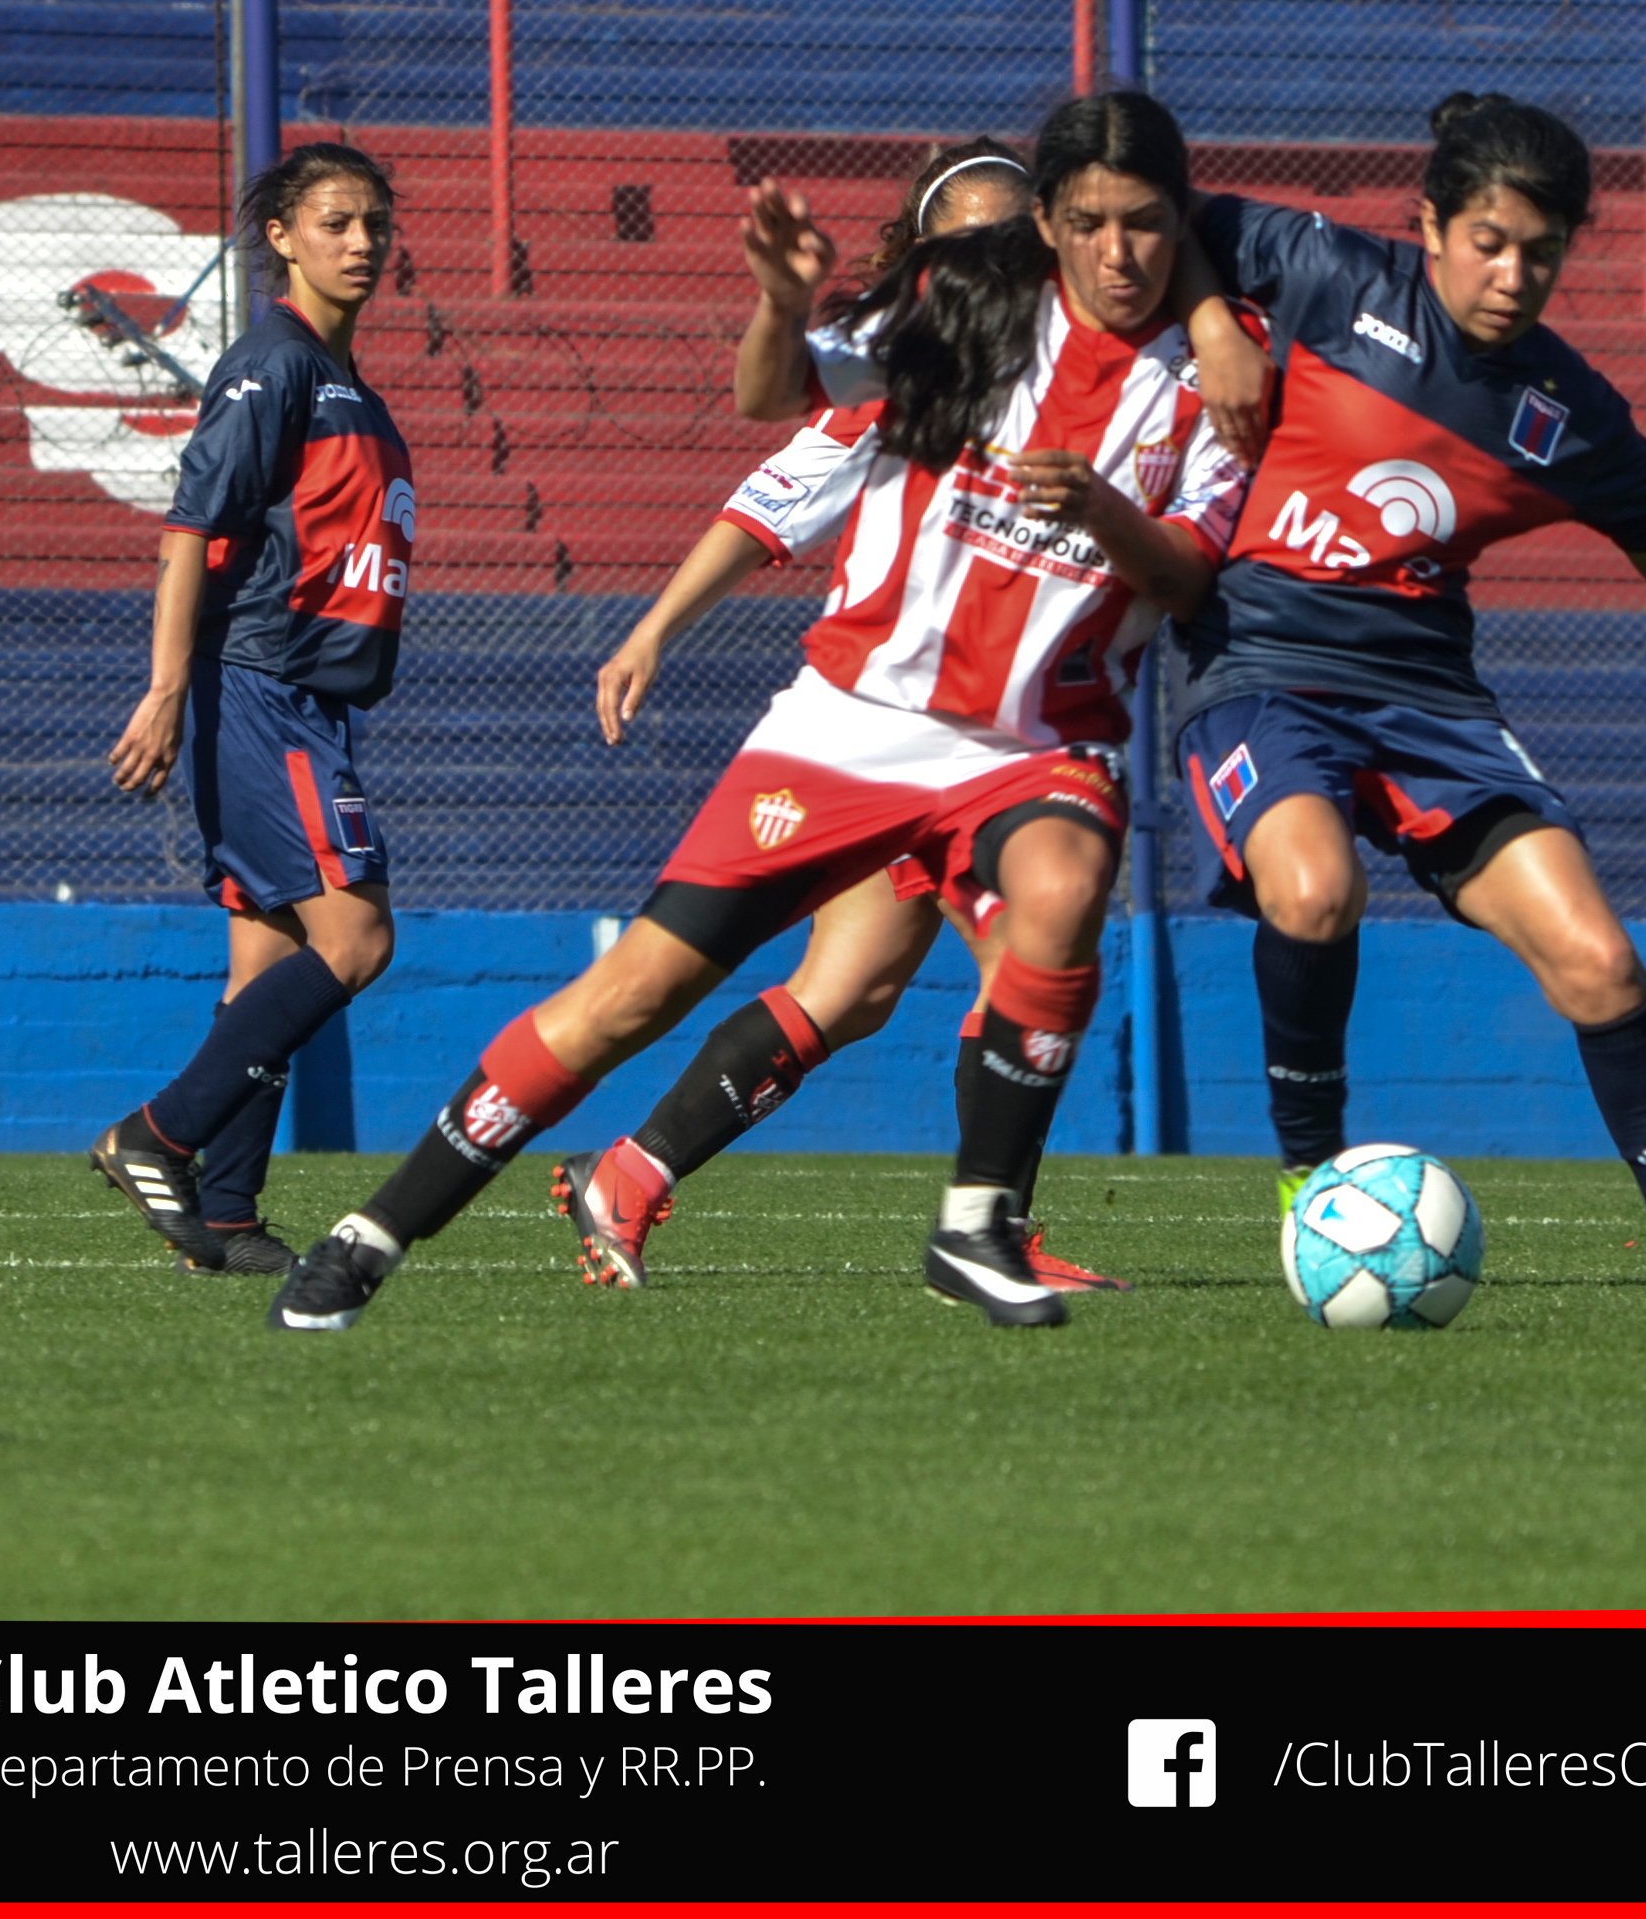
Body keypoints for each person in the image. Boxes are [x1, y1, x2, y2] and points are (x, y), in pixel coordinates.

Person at [271, 89, 1247, 1332]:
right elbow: (770, 406)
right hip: (850, 722)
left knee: (1047, 908)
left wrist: (1111, 498)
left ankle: (979, 1224)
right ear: (1045, 226)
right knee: (636, 995)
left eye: (1149, 226)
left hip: (1034, 744)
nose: (1119, 254)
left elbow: (1187, 570)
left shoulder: (1219, 366)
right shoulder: (957, 313)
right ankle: (376, 1232)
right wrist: (784, 305)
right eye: (1087, 224)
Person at [1177, 91, 1646, 1329]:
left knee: (1603, 964)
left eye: (1541, 252)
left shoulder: (1566, 410)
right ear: (1430, 224)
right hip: (1265, 670)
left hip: (1430, 702)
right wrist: (1209, 322)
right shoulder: (1325, 271)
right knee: (1312, 890)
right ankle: (1309, 1170)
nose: (1513, 276)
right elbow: (1156, 222)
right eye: (1489, 242)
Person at [546, 138, 1123, 1295]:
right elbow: (765, 510)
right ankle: (989, 1229)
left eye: (1012, 233)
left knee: (851, 991)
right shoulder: (895, 390)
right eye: (966, 235)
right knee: (1012, 953)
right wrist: (652, 629)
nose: (993, 254)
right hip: (894, 739)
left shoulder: (1088, 388)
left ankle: (631, 1174)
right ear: (924, 254)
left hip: (995, 747)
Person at [90, 141, 412, 1277]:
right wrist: (169, 689)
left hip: (308, 702)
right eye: (334, 222)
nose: (361, 241)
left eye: (374, 222)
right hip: (264, 690)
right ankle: (156, 1135)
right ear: (280, 236)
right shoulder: (271, 365)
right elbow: (190, 529)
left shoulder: (348, 384)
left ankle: (222, 1213)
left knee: (265, 966)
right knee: (356, 936)